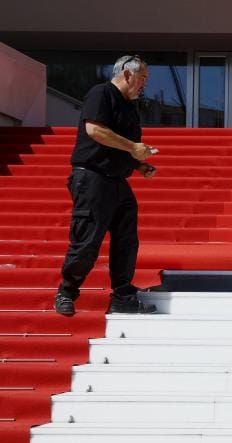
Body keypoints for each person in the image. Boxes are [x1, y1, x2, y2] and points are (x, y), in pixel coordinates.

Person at [53, 55, 159, 316]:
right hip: (92, 178)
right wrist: (134, 148)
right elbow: (95, 131)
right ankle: (67, 291)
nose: (145, 83)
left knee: (126, 240)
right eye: (142, 77)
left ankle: (122, 294)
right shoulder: (101, 93)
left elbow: (120, 146)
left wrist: (138, 164)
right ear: (126, 74)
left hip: (117, 181)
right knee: (87, 240)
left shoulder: (130, 107)